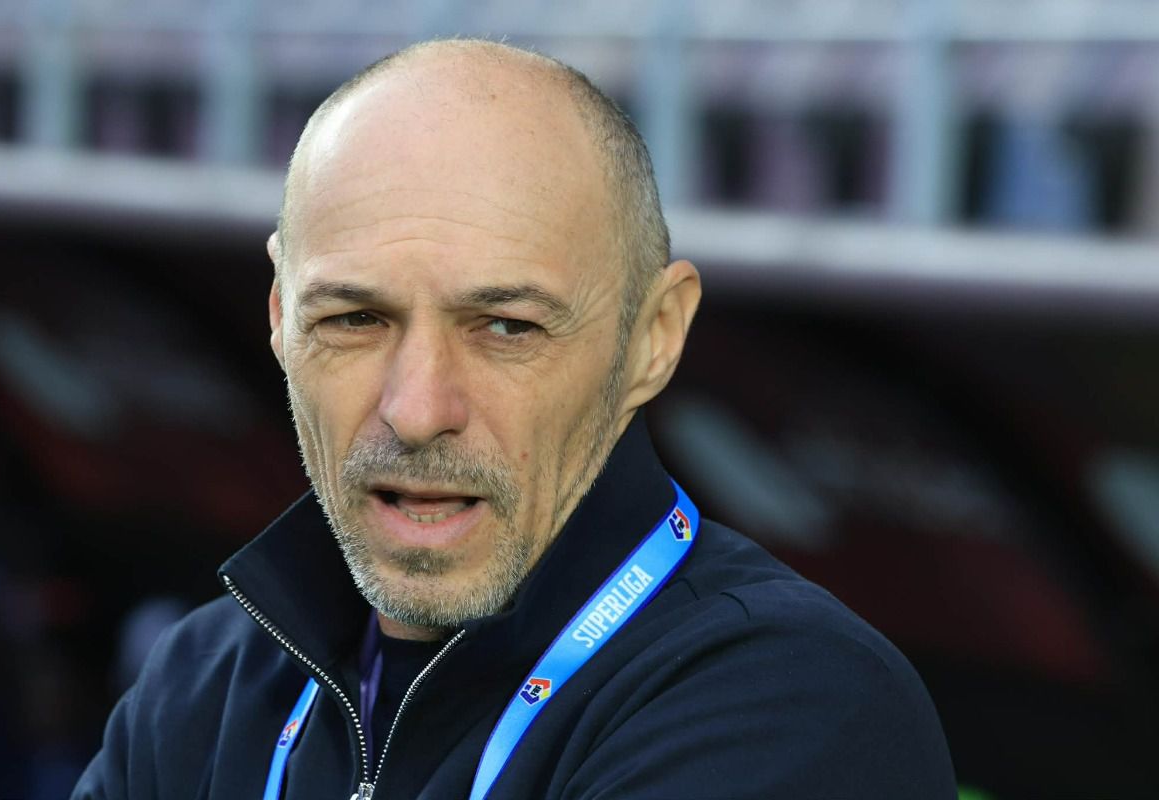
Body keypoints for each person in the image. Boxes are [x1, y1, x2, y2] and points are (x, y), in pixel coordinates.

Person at [73, 39, 956, 800]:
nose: (417, 411)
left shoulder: (790, 701)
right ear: (280, 319)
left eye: (506, 327)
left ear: (653, 338)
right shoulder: (205, 679)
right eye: (354, 319)